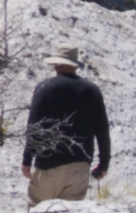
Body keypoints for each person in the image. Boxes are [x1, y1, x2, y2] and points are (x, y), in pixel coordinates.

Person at [21, 45, 110, 203]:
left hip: (48, 165)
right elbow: (102, 130)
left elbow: (34, 127)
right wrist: (103, 164)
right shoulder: (92, 90)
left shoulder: (45, 88)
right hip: (79, 166)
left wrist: (27, 159)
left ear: (56, 64)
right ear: (75, 65)